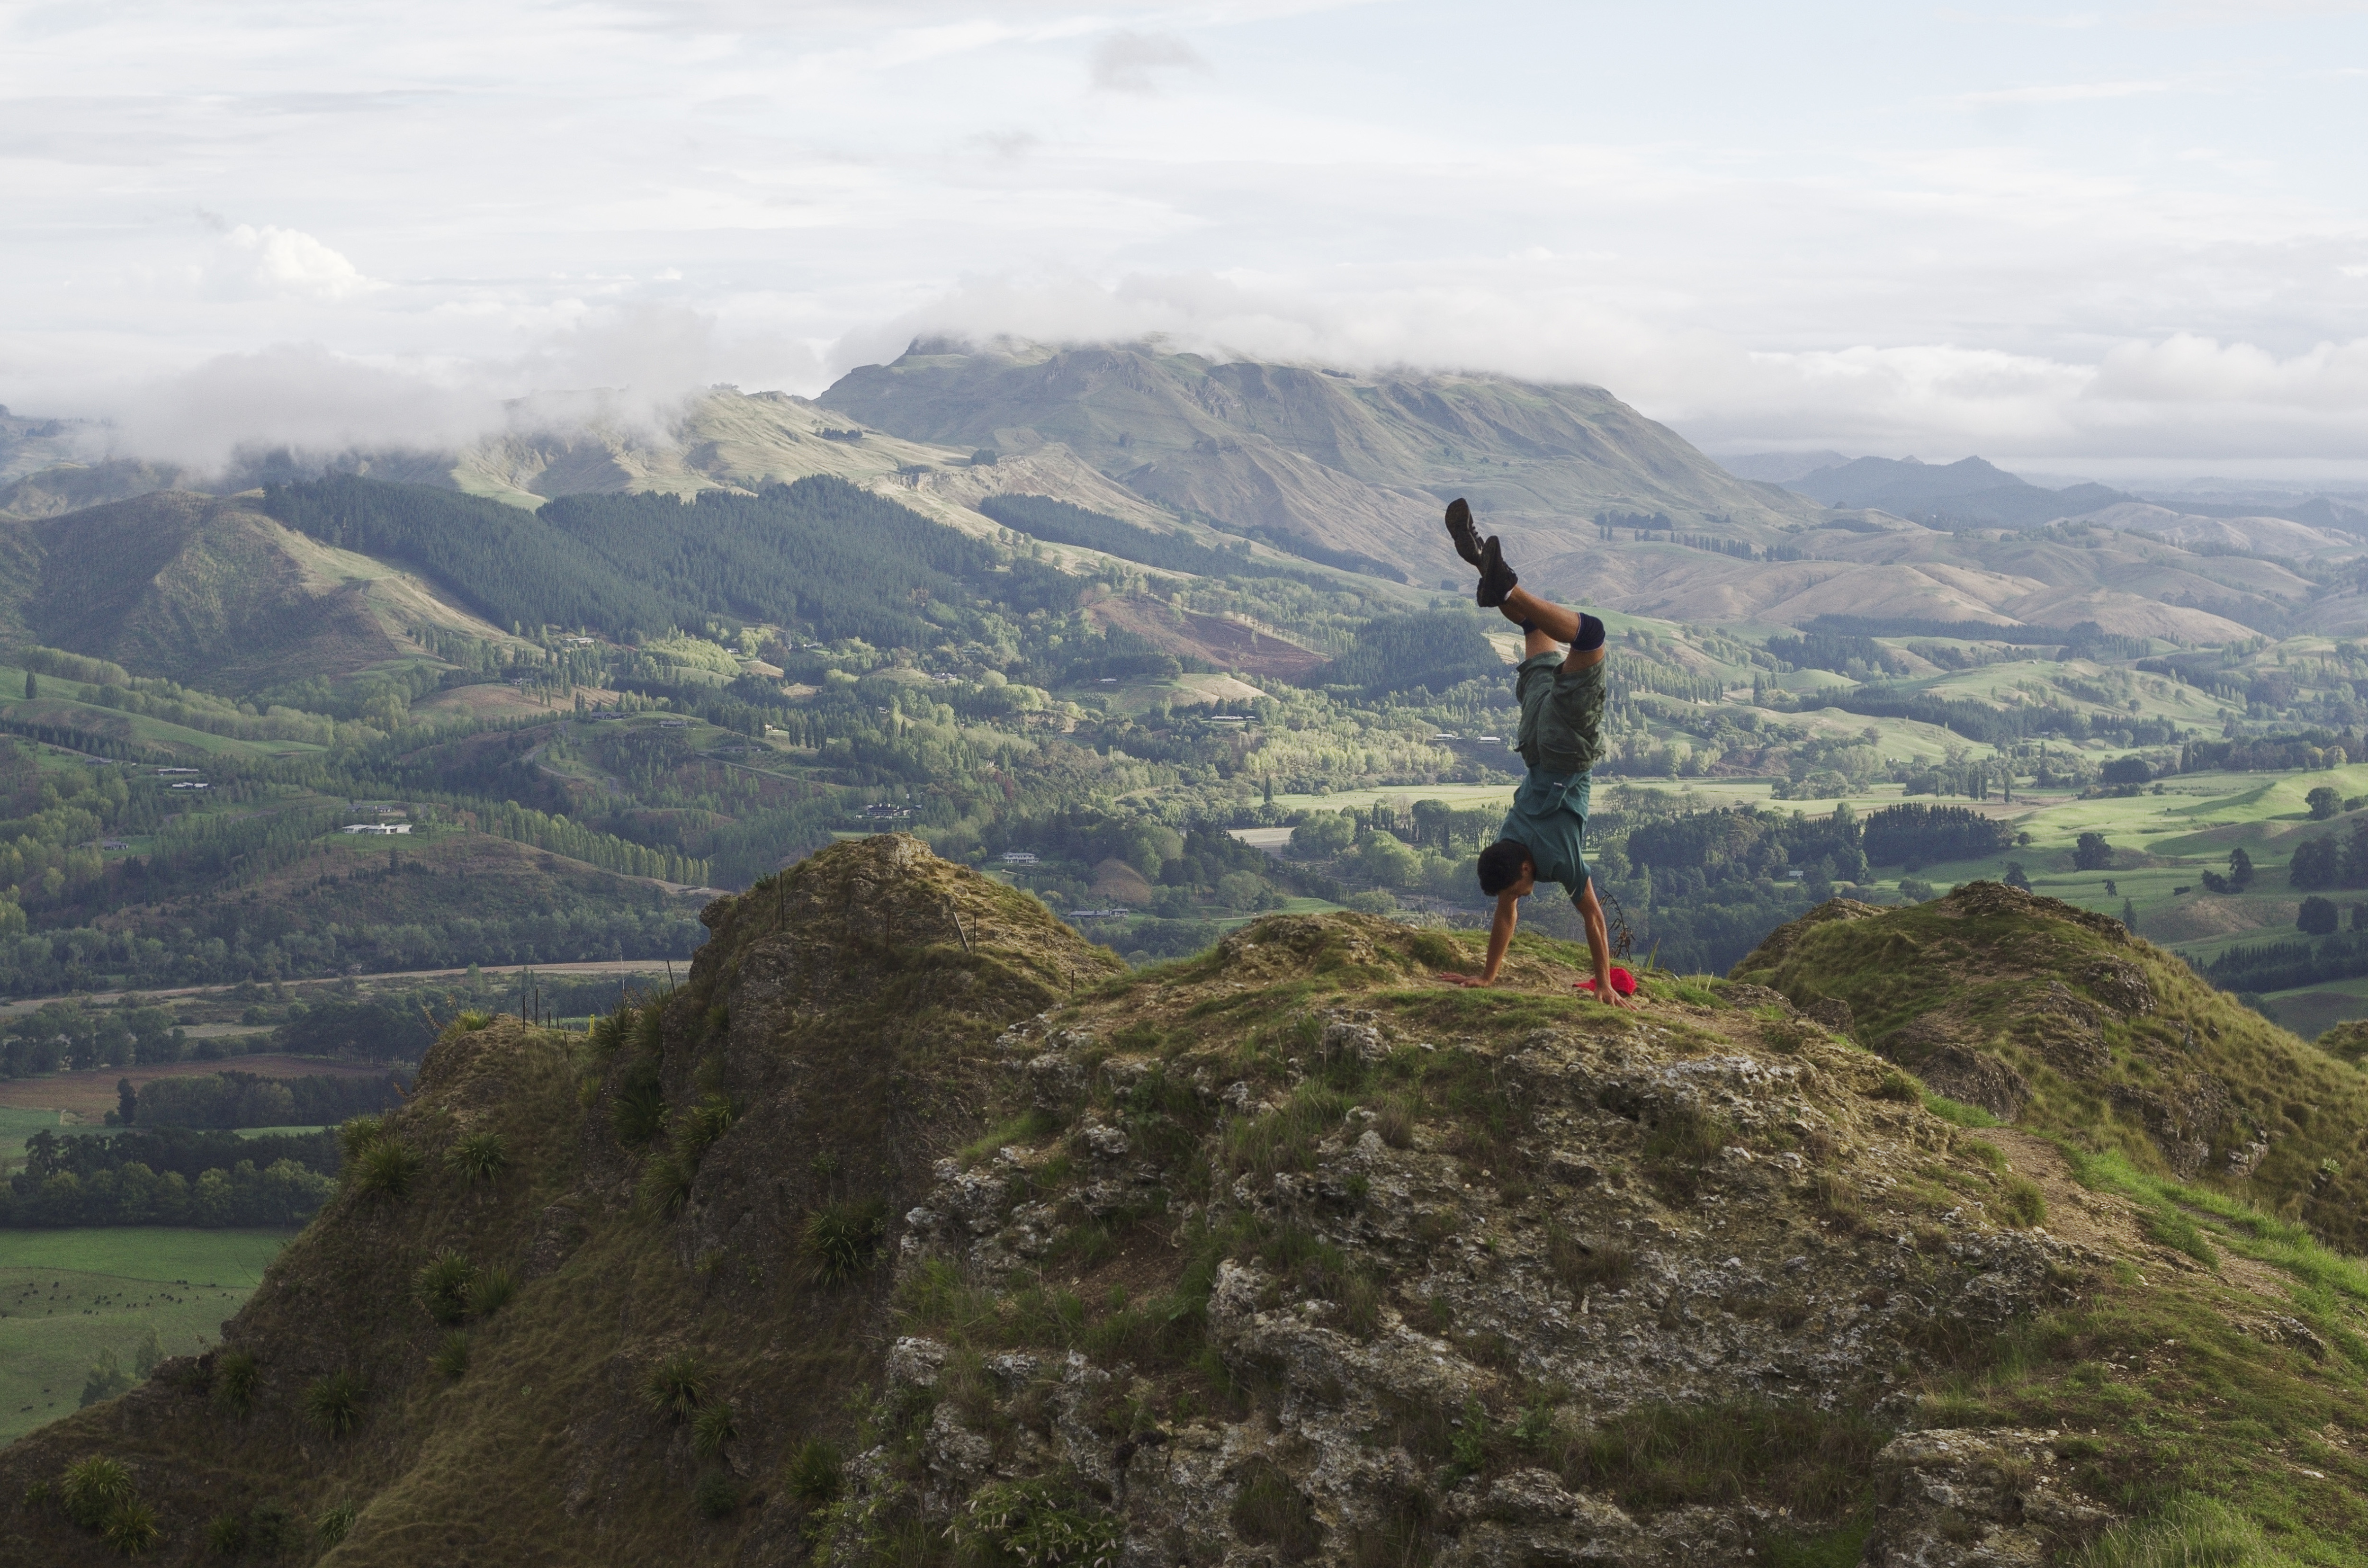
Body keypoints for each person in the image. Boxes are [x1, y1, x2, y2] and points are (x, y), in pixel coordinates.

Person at [1435, 500, 1626, 1004]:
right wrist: (1486, 977)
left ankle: (1508, 587)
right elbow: (1504, 911)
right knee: (1534, 631)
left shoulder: (1554, 860)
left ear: (1523, 869)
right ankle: (1482, 561)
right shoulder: (1507, 838)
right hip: (1533, 737)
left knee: (1590, 635)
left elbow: (1591, 915)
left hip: (1565, 745)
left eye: (1522, 889)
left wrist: (1604, 983)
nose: (1523, 895)